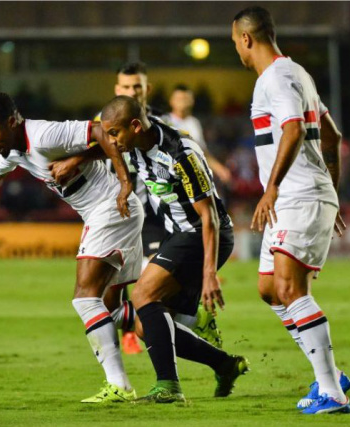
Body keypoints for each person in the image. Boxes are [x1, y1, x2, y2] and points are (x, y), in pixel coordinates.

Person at [0, 92, 144, 403]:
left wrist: (124, 180)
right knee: (111, 309)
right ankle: (193, 326)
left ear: (11, 122)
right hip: (111, 211)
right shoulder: (14, 151)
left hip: (111, 207)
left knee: (85, 298)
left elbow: (102, 130)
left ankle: (120, 386)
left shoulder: (45, 135)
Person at [232, 6, 350, 414]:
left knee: (289, 290)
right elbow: (332, 138)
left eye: (235, 42)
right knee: (270, 290)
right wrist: (330, 194)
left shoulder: (276, 78)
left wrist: (273, 188)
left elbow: (294, 129)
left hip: (295, 196)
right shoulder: (299, 73)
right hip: (302, 196)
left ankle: (331, 391)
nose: (237, 51)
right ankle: (330, 376)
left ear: (247, 39)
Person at [101, 95, 249, 403]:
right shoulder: (135, 145)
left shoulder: (181, 153)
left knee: (142, 295)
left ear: (135, 125)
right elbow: (95, 144)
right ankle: (224, 364)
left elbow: (208, 217)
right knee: (146, 325)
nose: (111, 141)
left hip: (205, 233)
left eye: (115, 133)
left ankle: (168, 387)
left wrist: (209, 274)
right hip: (180, 234)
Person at [109, 62, 224, 350]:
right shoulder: (106, 122)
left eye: (137, 86)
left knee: (148, 289)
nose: (132, 91)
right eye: (126, 87)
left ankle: (150, 334)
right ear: (117, 90)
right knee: (108, 294)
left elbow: (191, 163)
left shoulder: (164, 126)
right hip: (117, 216)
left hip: (154, 216)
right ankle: (188, 320)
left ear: (147, 89)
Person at [167, 84, 232, 185]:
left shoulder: (194, 123)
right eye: (179, 98)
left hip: (193, 177)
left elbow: (202, 152)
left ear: (192, 101)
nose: (182, 102)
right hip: (172, 178)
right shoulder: (164, 122)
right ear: (171, 101)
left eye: (185, 98)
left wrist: (220, 169)